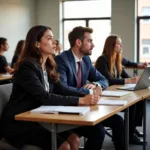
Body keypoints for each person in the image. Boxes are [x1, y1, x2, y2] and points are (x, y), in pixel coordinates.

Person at [0, 25, 106, 150]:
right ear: (37, 44)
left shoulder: (49, 66)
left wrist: (90, 95)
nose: (54, 41)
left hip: (40, 118)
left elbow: (63, 89)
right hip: (19, 123)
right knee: (65, 146)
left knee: (75, 140)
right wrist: (81, 100)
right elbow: (44, 97)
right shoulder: (27, 66)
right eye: (49, 38)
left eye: (53, 38)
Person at [55, 26, 125, 150]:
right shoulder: (62, 60)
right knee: (98, 131)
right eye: (90, 41)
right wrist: (90, 91)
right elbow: (63, 88)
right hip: (68, 109)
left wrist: (97, 85)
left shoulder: (86, 60)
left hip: (85, 107)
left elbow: (104, 79)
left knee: (118, 121)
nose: (93, 45)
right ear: (78, 42)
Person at [95, 35, 145, 145]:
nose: (121, 45)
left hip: (115, 93)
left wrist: (134, 80)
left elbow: (125, 76)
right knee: (132, 105)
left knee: (139, 101)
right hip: (106, 96)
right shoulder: (102, 59)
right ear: (111, 45)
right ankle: (129, 134)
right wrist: (128, 81)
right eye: (119, 43)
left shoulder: (117, 59)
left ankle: (131, 129)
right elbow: (108, 80)